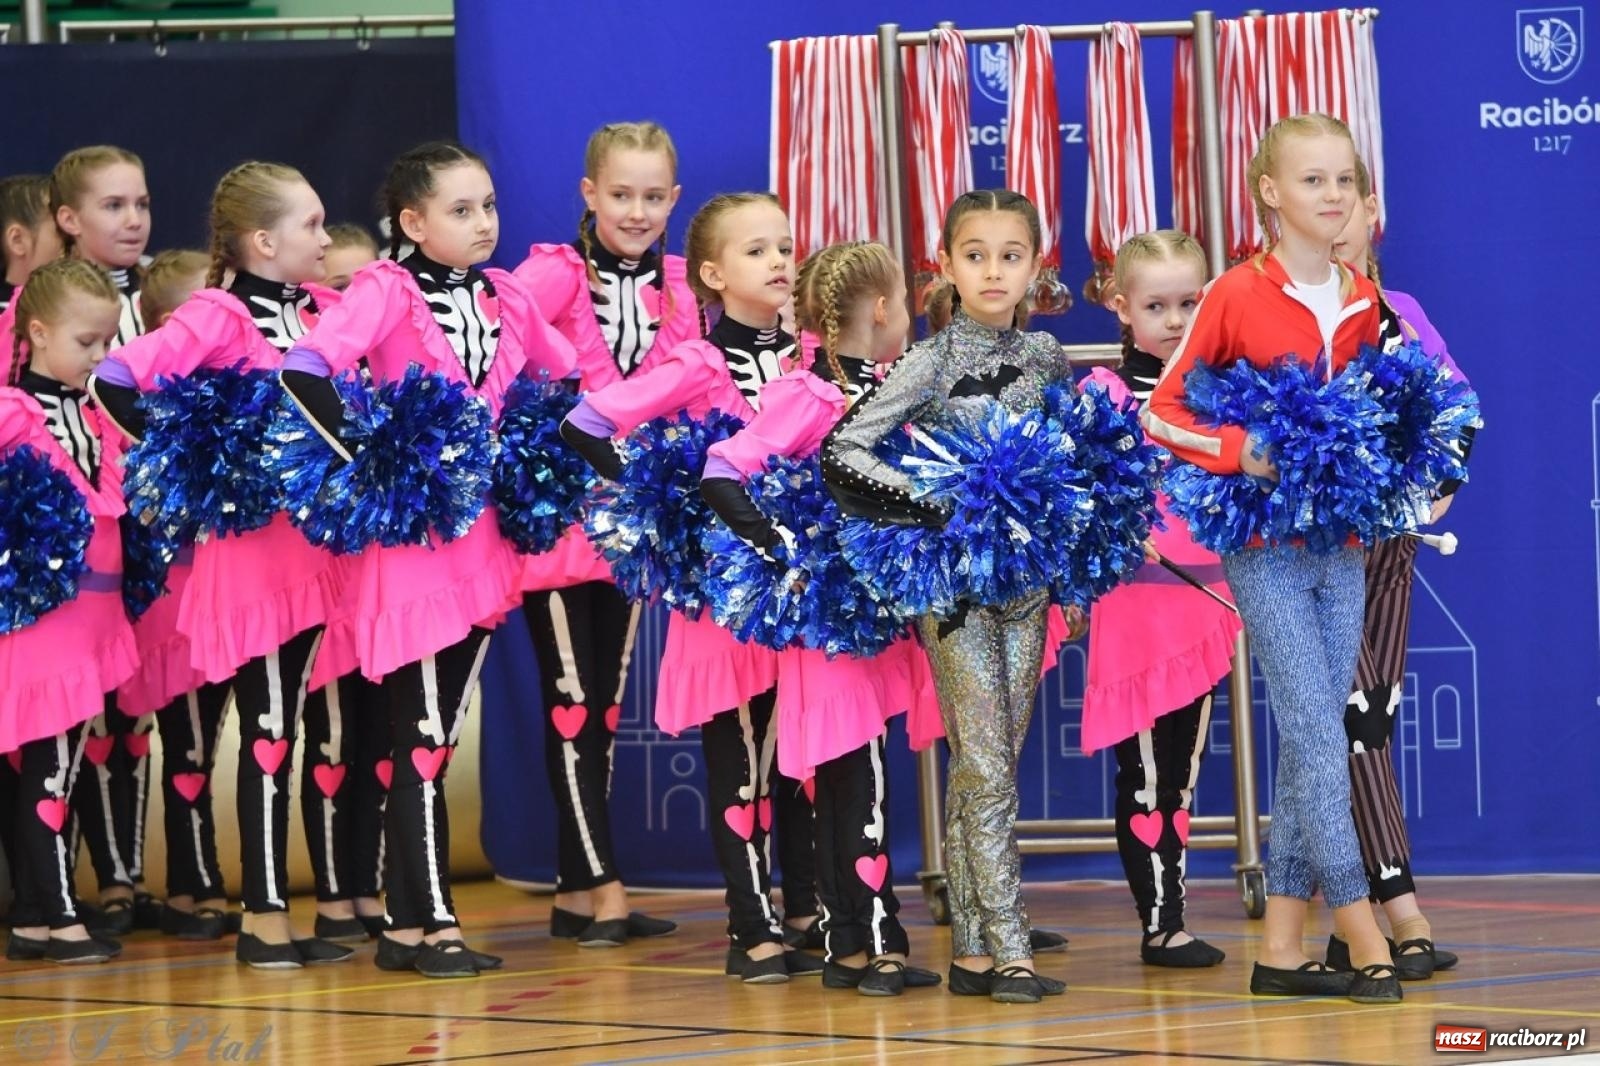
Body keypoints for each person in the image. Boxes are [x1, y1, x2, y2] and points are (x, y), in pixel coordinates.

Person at [1144, 113, 1402, 1005]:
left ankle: (1283, 948)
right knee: (1319, 734)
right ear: (1269, 191)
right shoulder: (1234, 293)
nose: (1332, 195)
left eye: (1344, 179)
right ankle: (1360, 925)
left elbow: (1378, 413)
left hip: (1344, 545)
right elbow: (1164, 410)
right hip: (1263, 549)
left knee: (1312, 736)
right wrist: (1240, 450)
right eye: (1312, 179)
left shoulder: (1365, 297)